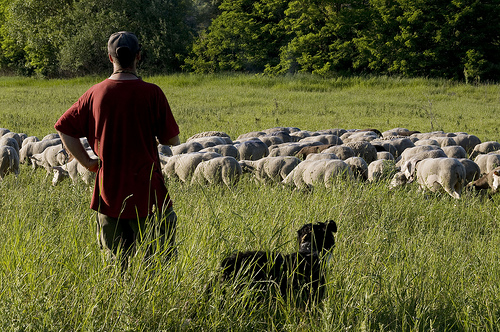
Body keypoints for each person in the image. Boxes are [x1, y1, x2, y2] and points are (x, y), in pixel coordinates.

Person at [54, 31, 180, 268]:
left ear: (110, 58)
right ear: (138, 57)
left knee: (115, 264)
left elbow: (64, 129)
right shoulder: (152, 92)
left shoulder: (94, 93)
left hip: (109, 192)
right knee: (160, 261)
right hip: (148, 191)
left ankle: (119, 302)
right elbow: (172, 140)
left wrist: (88, 162)